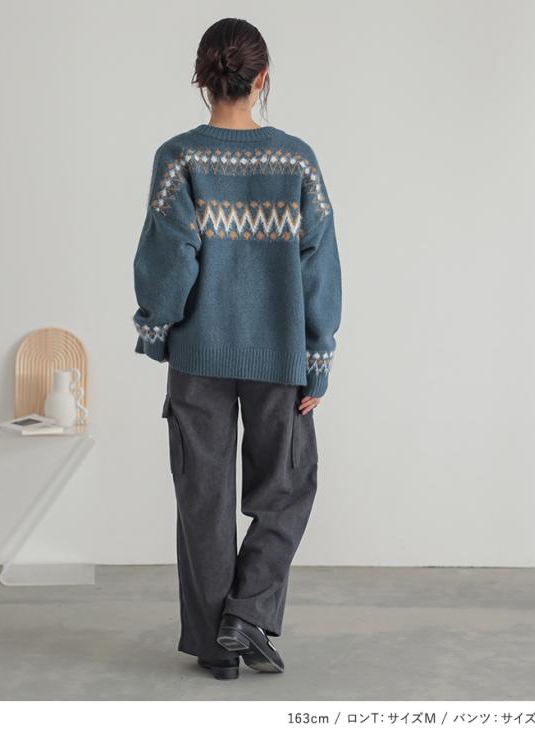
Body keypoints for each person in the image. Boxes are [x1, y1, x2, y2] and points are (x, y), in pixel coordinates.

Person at [132, 17, 343, 680]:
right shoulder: (296, 161)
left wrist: (155, 329)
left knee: (203, 498)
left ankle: (217, 644)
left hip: (199, 358)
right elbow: (319, 265)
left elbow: (171, 258)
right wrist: (318, 357)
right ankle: (246, 613)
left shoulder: (179, 157)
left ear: (203, 78)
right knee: (288, 485)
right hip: (279, 358)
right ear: (263, 78)